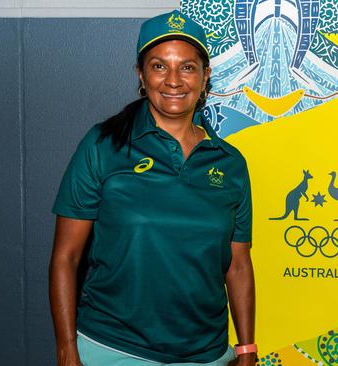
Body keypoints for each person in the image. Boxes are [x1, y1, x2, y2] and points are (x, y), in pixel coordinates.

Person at [49, 10, 256, 366]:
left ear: (205, 77)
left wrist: (247, 348)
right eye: (159, 66)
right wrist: (67, 348)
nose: (173, 80)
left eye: (188, 67)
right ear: (141, 76)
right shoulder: (103, 145)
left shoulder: (230, 163)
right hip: (113, 349)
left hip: (206, 354)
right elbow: (65, 258)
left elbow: (237, 265)